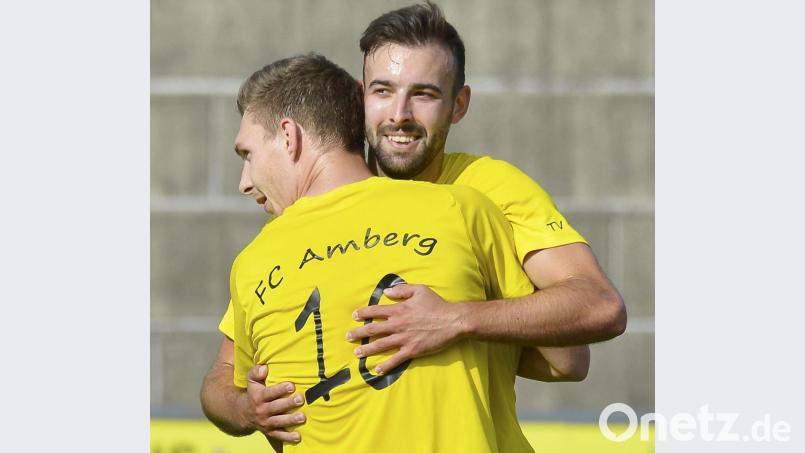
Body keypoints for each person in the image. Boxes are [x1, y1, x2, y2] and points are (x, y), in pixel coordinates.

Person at [201, 0, 625, 445]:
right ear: (362, 97)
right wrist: (245, 407)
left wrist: (458, 320)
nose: (400, 114)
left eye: (424, 94)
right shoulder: (288, 236)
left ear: (458, 105)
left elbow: (585, 330)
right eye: (383, 91)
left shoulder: (483, 193)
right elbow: (224, 372)